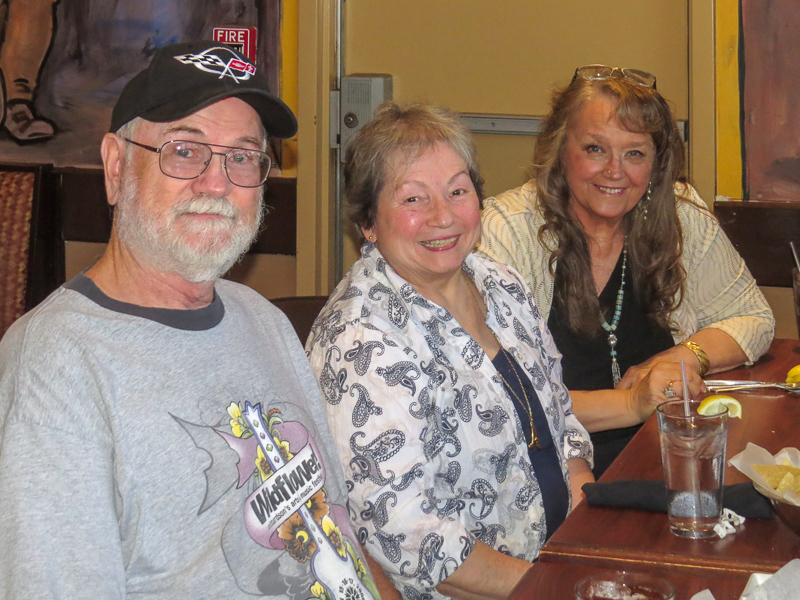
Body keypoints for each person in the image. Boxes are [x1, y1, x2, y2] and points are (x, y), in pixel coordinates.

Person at [0, 40, 383, 600]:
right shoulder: (55, 365)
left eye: (244, 156)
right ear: (115, 165)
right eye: (184, 150)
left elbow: (337, 528)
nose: (217, 183)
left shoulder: (261, 319)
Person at [306, 102, 594, 600]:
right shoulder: (361, 342)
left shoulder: (500, 283)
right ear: (368, 223)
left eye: (457, 191)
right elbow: (406, 535)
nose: (443, 216)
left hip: (560, 561)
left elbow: (560, 420)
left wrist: (588, 538)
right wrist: (551, 587)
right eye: (414, 199)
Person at [479, 65, 775, 477]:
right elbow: (501, 393)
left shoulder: (681, 216)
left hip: (665, 458)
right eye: (595, 149)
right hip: (544, 468)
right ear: (560, 150)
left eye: (634, 153)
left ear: (657, 163)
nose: (615, 171)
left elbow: (753, 318)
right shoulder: (507, 230)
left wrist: (684, 356)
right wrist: (633, 402)